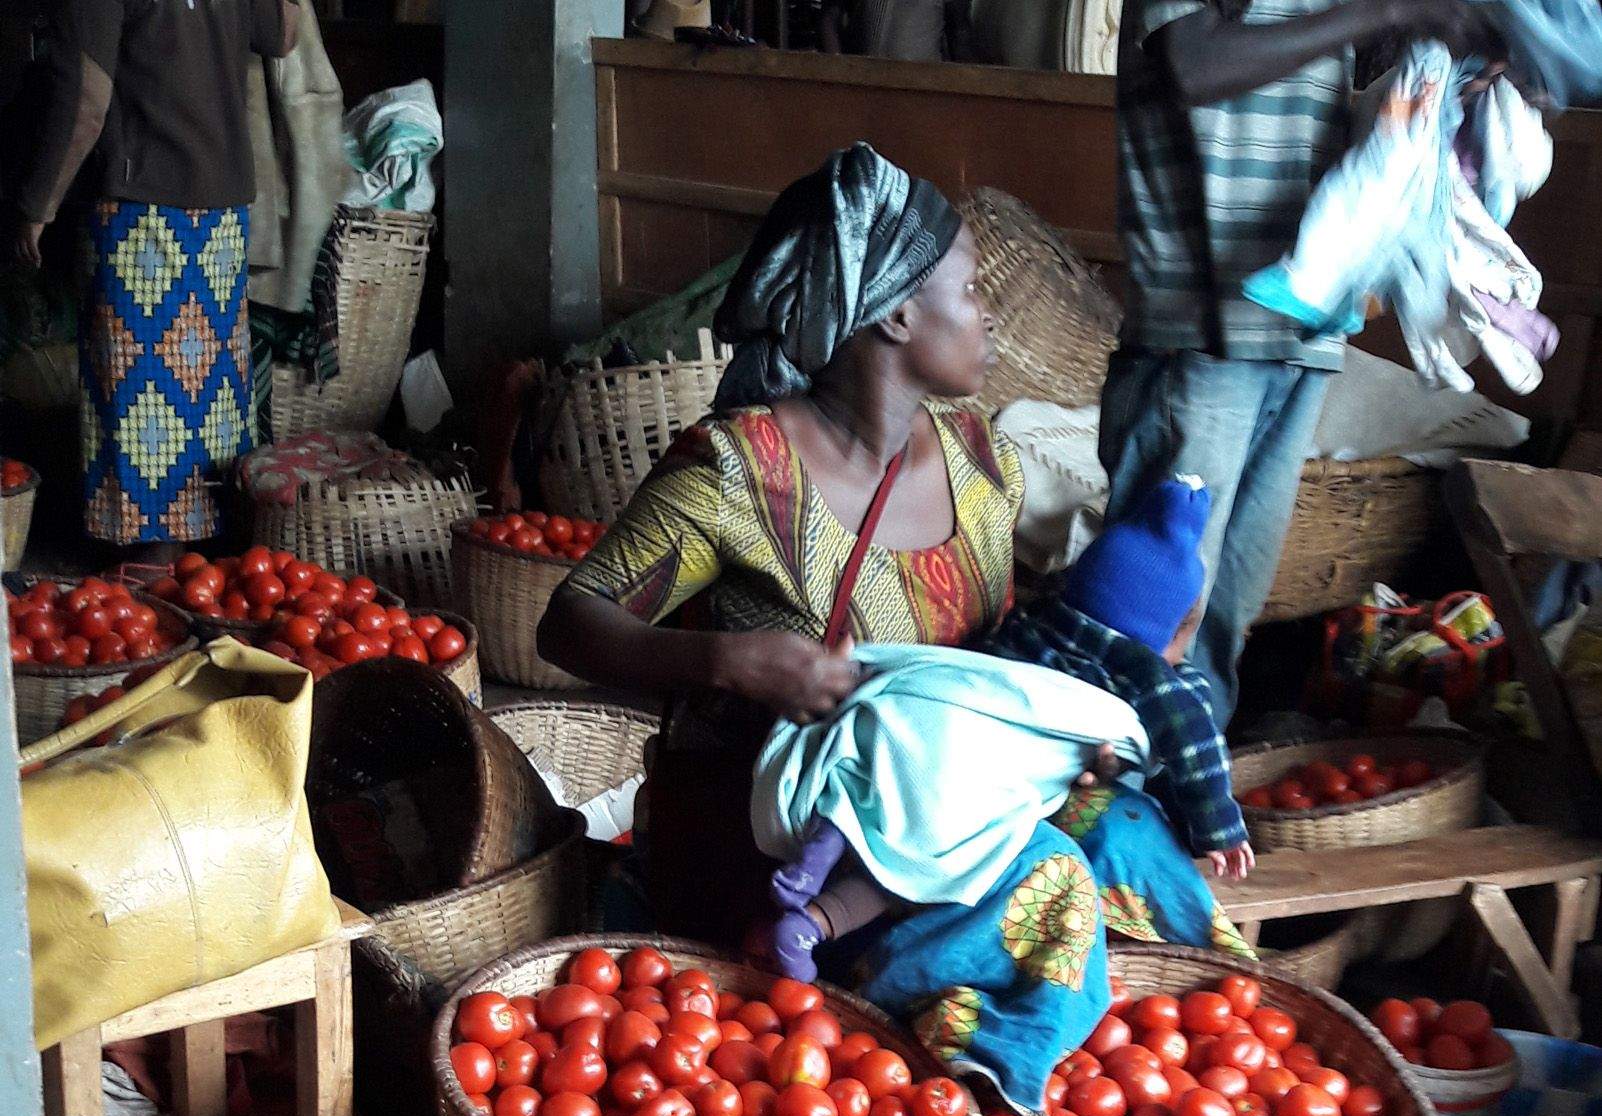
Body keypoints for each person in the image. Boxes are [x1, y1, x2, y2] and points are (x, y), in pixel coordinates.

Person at [538, 142, 1024, 946]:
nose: (988, 312)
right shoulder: (740, 471)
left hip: (940, 850)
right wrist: (727, 661)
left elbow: (995, 665)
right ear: (897, 313)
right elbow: (568, 621)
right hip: (764, 869)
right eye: (971, 289)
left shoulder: (985, 464)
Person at [1103, 0, 1501, 728]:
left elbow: (1315, 100)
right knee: (1153, 615)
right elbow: (1198, 65)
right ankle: (1112, 811)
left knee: (1226, 618)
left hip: (1304, 332)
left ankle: (1193, 808)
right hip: (1201, 329)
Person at [757, 476, 1256, 983]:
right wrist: (1219, 827)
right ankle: (814, 925)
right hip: (984, 774)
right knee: (933, 862)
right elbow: (1193, 738)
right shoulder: (1145, 674)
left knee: (875, 786)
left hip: (939, 717)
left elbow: (984, 669)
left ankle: (811, 864)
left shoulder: (1038, 619)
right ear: (1163, 633)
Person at [4, 0, 300, 550]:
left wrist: (37, 204)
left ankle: (151, 557)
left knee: (142, 392)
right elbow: (284, 31)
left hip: (140, 212)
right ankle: (200, 551)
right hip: (220, 212)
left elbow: (85, 100)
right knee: (206, 391)